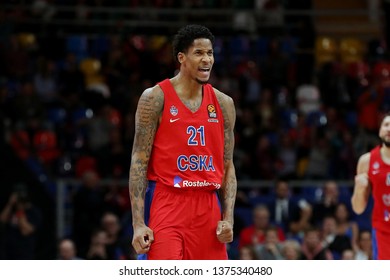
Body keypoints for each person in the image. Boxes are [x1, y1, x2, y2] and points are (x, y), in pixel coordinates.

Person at [128, 24, 237, 260]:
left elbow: (228, 166)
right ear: (182, 57)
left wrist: (228, 218)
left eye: (210, 53)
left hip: (208, 206)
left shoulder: (224, 103)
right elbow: (139, 160)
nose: (206, 59)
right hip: (168, 200)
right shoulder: (155, 98)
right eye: (198, 53)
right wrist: (138, 223)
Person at [352, 112, 390, 260]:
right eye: (386, 125)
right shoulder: (367, 161)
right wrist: (359, 189)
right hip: (382, 231)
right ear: (380, 130)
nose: (389, 129)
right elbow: (358, 208)